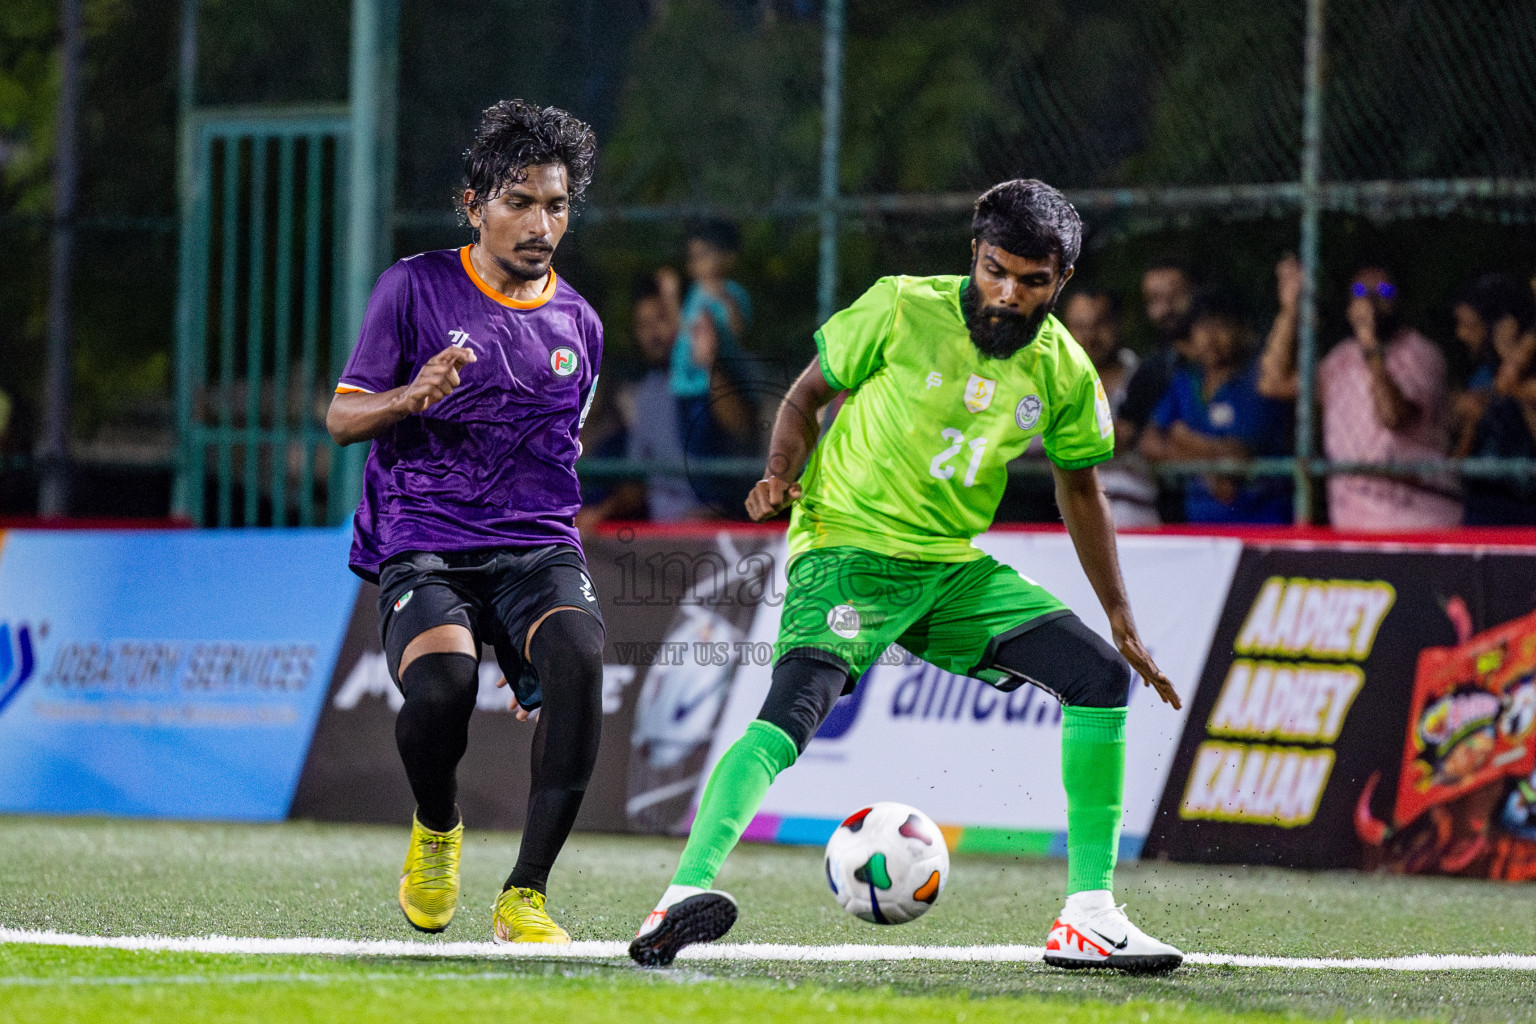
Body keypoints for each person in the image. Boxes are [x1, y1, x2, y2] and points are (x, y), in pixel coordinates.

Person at [629, 179, 1185, 973]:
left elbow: (1081, 486)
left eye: (1033, 282)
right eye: (997, 270)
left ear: (1060, 282)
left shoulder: (1063, 369)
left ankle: (1088, 915)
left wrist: (1121, 616)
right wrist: (781, 470)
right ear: (975, 255)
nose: (1008, 294)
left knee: (1099, 675)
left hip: (950, 569)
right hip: (846, 548)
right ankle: (681, 896)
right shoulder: (899, 307)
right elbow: (804, 396)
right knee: (795, 708)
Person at [325, 100, 604, 945]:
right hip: (428, 541)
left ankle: (525, 895)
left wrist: (535, 658)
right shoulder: (413, 287)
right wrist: (411, 396)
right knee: (442, 690)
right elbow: (341, 419)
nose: (540, 222)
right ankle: (437, 827)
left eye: (556, 205)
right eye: (520, 201)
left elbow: (563, 450)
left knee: (581, 662)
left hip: (535, 544)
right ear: (474, 204)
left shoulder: (580, 325)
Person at [1257, 257, 1460, 529]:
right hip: (1353, 525)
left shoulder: (1422, 354)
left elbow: (1392, 417)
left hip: (1419, 522)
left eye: (1384, 292)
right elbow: (1272, 382)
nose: (1372, 300)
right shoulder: (1340, 358)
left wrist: (1370, 345)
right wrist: (1290, 310)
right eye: (1361, 293)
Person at [1140, 288, 1293, 524]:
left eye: (1221, 326)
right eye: (1202, 328)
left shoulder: (1259, 383)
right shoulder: (1185, 381)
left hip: (1263, 527)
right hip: (1199, 531)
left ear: (1244, 332)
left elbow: (1238, 455)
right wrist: (1209, 471)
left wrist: (1183, 438)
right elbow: (1149, 442)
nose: (1210, 338)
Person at [576, 269, 703, 526]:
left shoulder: (710, 383)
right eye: (643, 325)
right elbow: (637, 485)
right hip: (666, 539)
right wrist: (599, 513)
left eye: (662, 319)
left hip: (718, 534)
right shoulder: (648, 394)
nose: (654, 333)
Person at [1061, 288, 1159, 526]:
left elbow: (1125, 438)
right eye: (1079, 326)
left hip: (1135, 519)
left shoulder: (1146, 375)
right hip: (1066, 524)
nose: (1089, 336)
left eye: (1099, 324)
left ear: (1119, 323)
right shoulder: (1054, 382)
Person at [1459, 273, 1536, 524]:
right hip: (1482, 503)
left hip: (1525, 505)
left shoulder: (1523, 370)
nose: (1461, 334)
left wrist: (1510, 362)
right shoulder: (1482, 375)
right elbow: (1463, 455)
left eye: (1469, 325)